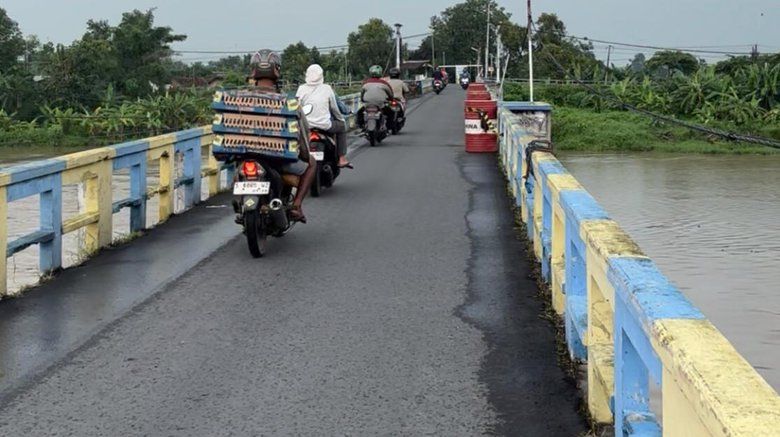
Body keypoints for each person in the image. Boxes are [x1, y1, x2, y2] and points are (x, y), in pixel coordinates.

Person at [247, 49, 315, 223]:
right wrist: (306, 155)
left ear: (253, 71)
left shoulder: (240, 101)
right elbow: (302, 134)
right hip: (279, 159)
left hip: (247, 156)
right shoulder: (289, 103)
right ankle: (297, 205)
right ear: (276, 71)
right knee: (312, 164)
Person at [296, 64, 352, 169]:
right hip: (325, 126)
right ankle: (342, 158)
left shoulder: (301, 89)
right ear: (321, 76)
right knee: (342, 126)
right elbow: (335, 109)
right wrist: (341, 120)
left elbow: (296, 107)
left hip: (306, 126)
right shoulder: (327, 89)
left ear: (307, 75)